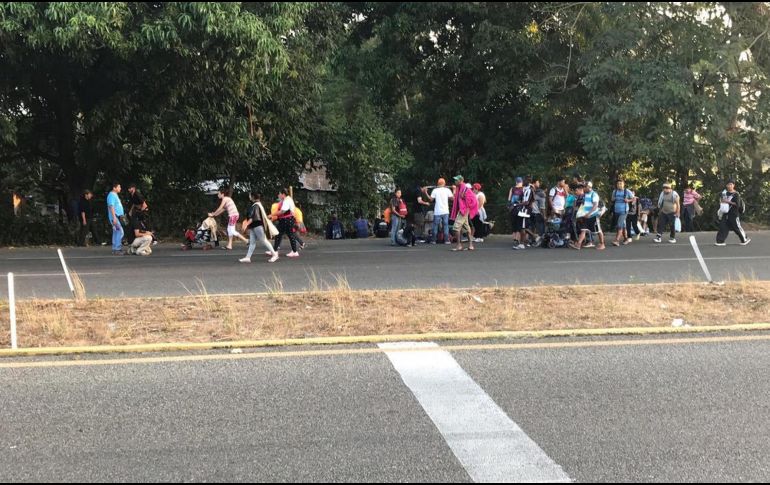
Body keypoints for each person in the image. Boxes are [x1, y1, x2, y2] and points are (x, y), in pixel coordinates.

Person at [240, 192, 279, 263]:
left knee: (263, 240)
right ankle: (248, 257)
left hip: (257, 226)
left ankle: (274, 254)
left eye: (250, 195)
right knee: (252, 242)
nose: (249, 196)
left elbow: (253, 217)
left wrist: (246, 224)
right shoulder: (257, 204)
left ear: (252, 197)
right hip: (254, 226)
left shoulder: (256, 205)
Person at [209, 186, 248, 250]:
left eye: (219, 193)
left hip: (233, 216)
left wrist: (213, 213)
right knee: (229, 229)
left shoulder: (225, 199)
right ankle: (229, 245)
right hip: (233, 215)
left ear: (222, 194)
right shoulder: (226, 200)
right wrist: (214, 215)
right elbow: (221, 210)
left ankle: (246, 241)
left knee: (231, 230)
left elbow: (220, 207)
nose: (218, 195)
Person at [569, 184, 606, 250]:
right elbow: (584, 204)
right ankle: (578, 244)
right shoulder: (585, 195)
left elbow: (595, 205)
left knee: (598, 230)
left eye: (585, 187)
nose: (583, 189)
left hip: (593, 215)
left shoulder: (594, 194)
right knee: (583, 230)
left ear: (589, 187)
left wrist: (589, 213)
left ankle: (602, 244)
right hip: (586, 215)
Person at [715, 180, 750, 246]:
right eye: (728, 184)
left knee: (736, 227)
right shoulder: (724, 193)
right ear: (726, 185)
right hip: (725, 213)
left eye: (731, 184)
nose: (730, 186)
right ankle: (720, 241)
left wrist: (728, 201)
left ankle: (745, 239)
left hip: (734, 213)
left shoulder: (736, 194)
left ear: (733, 185)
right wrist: (722, 201)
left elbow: (737, 204)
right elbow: (721, 201)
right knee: (723, 226)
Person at [420, 178, 454, 244]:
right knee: (445, 225)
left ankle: (433, 240)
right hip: (445, 211)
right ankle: (447, 240)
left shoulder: (435, 190)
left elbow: (431, 199)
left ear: (438, 184)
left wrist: (426, 192)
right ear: (444, 183)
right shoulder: (447, 190)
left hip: (437, 211)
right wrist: (454, 190)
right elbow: (452, 198)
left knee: (435, 225)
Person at [450, 175, 478, 251]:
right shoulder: (459, 188)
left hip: (463, 210)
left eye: (456, 180)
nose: (455, 181)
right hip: (463, 210)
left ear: (460, 181)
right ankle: (471, 245)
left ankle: (459, 245)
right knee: (466, 228)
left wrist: (466, 201)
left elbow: (474, 200)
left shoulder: (465, 189)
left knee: (456, 228)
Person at [272, 188, 300, 257]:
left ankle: (275, 251)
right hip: (288, 220)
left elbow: (282, 211)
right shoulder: (287, 199)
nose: (278, 195)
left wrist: (273, 214)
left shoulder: (287, 200)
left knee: (279, 234)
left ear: (283, 194)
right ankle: (294, 251)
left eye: (279, 194)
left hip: (286, 220)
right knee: (290, 235)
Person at [508, 177, 532, 250]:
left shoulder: (528, 190)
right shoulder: (523, 189)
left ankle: (524, 242)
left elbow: (526, 202)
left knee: (522, 227)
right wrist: (510, 205)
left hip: (524, 210)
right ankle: (525, 241)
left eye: (521, 182)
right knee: (520, 225)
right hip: (520, 209)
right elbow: (510, 198)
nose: (520, 183)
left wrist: (517, 205)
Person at [610, 179, 634, 246]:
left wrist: (628, 200)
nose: (619, 185)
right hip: (616, 210)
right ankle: (626, 239)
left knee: (619, 225)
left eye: (621, 184)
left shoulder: (627, 191)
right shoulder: (615, 191)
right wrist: (614, 199)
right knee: (622, 225)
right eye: (618, 184)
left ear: (623, 184)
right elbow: (612, 199)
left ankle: (617, 240)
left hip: (624, 211)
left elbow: (634, 198)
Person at [106, 182, 125, 256]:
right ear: (114, 188)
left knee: (116, 232)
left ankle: (115, 249)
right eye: (119, 187)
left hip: (117, 217)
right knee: (120, 232)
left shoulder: (115, 195)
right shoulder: (111, 195)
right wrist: (114, 217)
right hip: (115, 217)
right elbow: (111, 206)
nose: (120, 188)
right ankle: (117, 249)